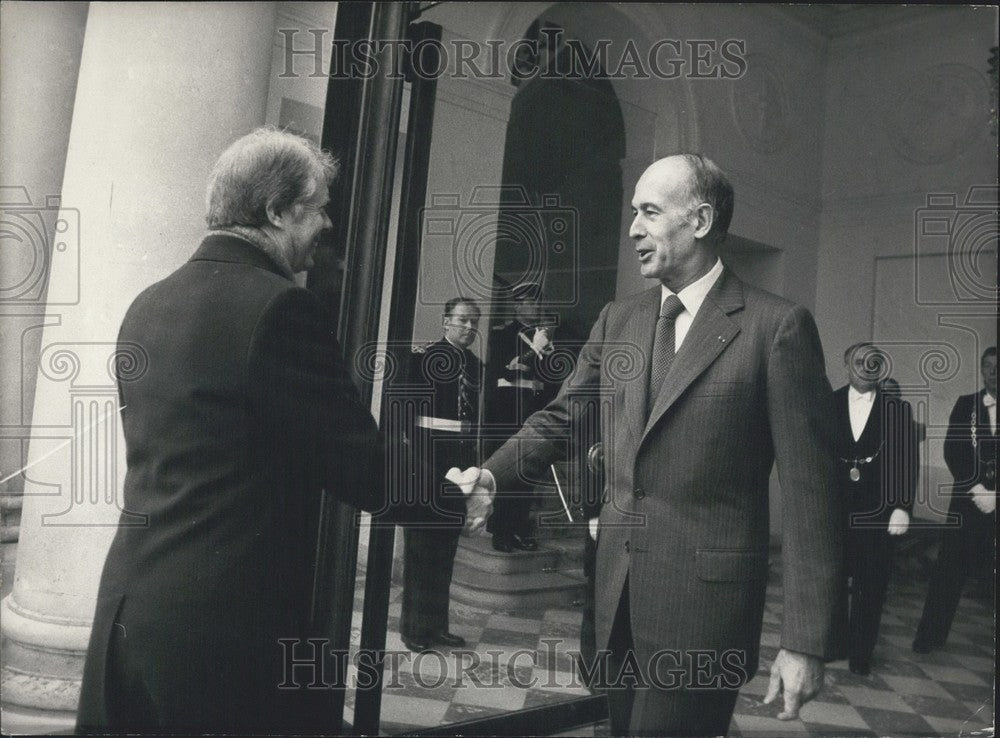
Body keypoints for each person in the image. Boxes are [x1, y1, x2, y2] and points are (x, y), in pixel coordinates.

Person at [75, 128, 453, 734]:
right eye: (318, 207)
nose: (328, 223)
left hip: (128, 613)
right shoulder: (281, 308)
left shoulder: (148, 303)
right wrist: (457, 496)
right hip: (220, 637)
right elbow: (357, 461)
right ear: (276, 211)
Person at [462, 155, 844, 736]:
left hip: (703, 616)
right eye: (632, 213)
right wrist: (492, 475)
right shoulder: (619, 320)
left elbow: (812, 491)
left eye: (649, 212)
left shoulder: (776, 328)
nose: (633, 229)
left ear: (700, 221)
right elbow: (562, 417)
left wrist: (805, 640)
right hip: (617, 599)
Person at [397, 297, 483, 652]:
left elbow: (471, 420)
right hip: (427, 462)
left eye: (474, 322)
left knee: (445, 550)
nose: (469, 327)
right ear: (446, 321)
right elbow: (405, 415)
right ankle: (414, 629)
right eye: (462, 320)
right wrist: (419, 464)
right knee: (421, 550)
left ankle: (438, 627)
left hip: (459, 466)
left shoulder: (475, 365)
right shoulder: (422, 359)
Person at [833, 343, 917, 675]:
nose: (866, 367)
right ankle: (833, 645)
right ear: (846, 365)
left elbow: (906, 462)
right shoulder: (827, 404)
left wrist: (902, 507)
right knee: (832, 583)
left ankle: (860, 655)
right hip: (835, 510)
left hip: (879, 513)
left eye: (873, 362)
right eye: (859, 361)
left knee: (871, 585)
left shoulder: (897, 409)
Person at [913, 345, 997, 653]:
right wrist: (977, 490)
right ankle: (929, 640)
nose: (993, 372)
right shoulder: (966, 405)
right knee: (948, 572)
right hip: (967, 504)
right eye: (988, 366)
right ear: (981, 370)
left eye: (998, 366)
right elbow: (954, 450)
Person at [484, 281, 561, 552]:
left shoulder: (546, 338)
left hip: (533, 413)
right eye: (530, 302)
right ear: (517, 306)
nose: (536, 306)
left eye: (538, 301)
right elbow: (505, 372)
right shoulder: (503, 335)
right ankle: (501, 532)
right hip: (507, 414)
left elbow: (552, 378)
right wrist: (533, 352)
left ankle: (518, 528)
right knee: (508, 475)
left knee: (528, 475)